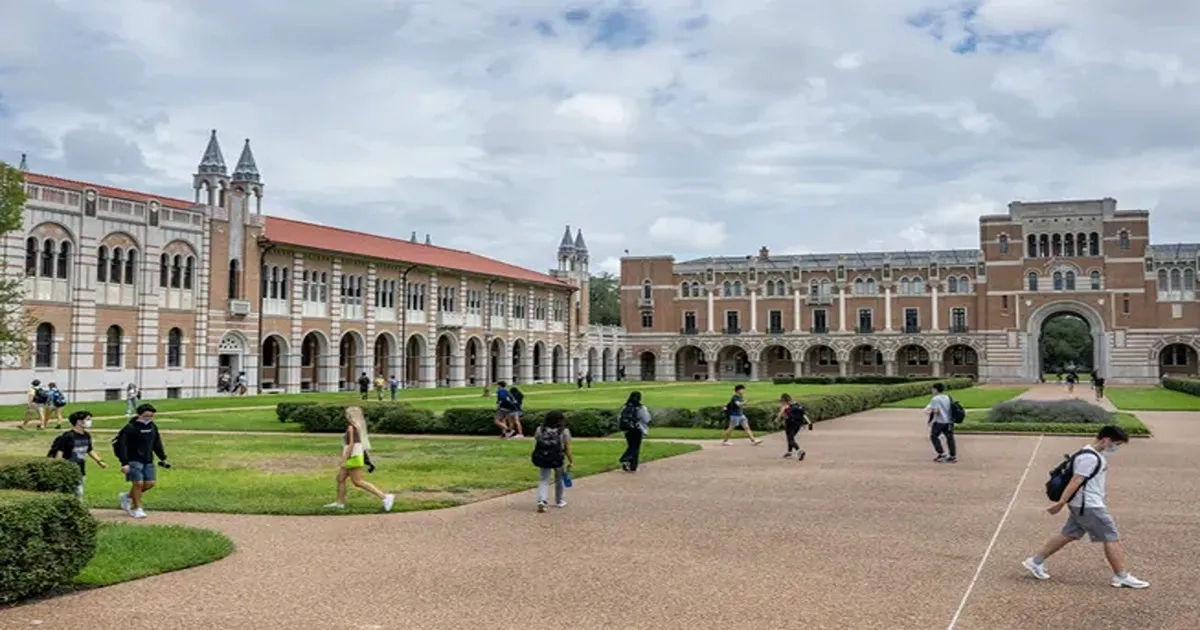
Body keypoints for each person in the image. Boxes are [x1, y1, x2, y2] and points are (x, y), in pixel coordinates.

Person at [1022, 425, 1149, 589]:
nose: (1115, 448)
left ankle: (1035, 561)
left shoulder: (1088, 452)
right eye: (1116, 443)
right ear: (1106, 440)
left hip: (1082, 505)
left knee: (1068, 534)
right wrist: (1061, 503)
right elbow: (1076, 480)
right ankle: (1121, 576)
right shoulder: (1090, 458)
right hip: (1089, 506)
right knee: (1111, 537)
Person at [324, 406, 395, 511]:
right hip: (354, 456)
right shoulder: (358, 427)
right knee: (340, 479)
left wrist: (344, 458)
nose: (346, 416)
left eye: (347, 414)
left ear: (351, 416)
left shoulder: (351, 427)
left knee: (357, 481)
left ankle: (385, 497)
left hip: (352, 457)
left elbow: (351, 444)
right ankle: (340, 502)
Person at [114, 404, 169, 519]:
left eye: (151, 416)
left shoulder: (152, 426)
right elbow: (122, 446)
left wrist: (162, 456)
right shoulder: (130, 428)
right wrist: (124, 462)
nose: (148, 418)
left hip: (147, 459)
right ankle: (137, 508)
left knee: (149, 483)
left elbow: (156, 442)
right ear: (139, 415)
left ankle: (128, 496)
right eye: (146, 416)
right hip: (133, 459)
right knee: (138, 483)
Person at [47, 410, 107, 497]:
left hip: (80, 468)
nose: (90, 422)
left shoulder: (86, 435)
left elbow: (89, 450)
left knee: (78, 491)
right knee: (73, 492)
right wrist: (59, 467)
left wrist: (99, 461)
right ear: (79, 421)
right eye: (88, 419)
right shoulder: (68, 436)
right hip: (69, 469)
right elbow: (60, 451)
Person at [531, 410, 574, 512]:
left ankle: (542, 500)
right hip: (558, 458)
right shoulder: (564, 431)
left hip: (543, 457)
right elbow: (567, 448)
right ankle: (559, 500)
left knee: (544, 479)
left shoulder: (540, 429)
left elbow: (537, 441)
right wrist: (571, 461)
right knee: (559, 480)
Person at [617, 391, 652, 472]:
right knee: (635, 447)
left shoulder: (625, 407)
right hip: (637, 429)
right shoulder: (641, 408)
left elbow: (619, 417)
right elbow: (646, 419)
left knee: (631, 446)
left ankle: (632, 466)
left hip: (627, 430)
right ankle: (625, 459)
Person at [924, 382, 957, 463]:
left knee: (934, 436)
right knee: (950, 438)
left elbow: (935, 411)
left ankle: (941, 454)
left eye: (932, 389)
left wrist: (932, 421)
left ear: (936, 389)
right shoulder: (947, 397)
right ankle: (953, 456)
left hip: (939, 421)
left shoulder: (935, 399)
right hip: (948, 421)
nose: (932, 391)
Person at [776, 394, 812, 460]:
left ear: (784, 400)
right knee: (790, 438)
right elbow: (803, 414)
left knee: (790, 439)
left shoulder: (785, 406)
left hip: (790, 424)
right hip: (798, 424)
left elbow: (781, 414)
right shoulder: (798, 404)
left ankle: (800, 451)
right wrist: (809, 422)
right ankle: (789, 452)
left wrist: (777, 419)